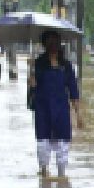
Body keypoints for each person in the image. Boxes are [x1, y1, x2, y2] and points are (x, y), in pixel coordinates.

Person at [30, 30, 82, 177]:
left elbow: (73, 90)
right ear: (45, 43)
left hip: (61, 109)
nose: (53, 45)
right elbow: (33, 87)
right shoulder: (38, 63)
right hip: (42, 108)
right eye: (50, 41)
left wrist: (78, 114)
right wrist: (32, 80)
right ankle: (44, 171)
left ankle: (61, 175)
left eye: (55, 41)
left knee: (63, 144)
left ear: (60, 44)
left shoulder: (66, 66)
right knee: (42, 143)